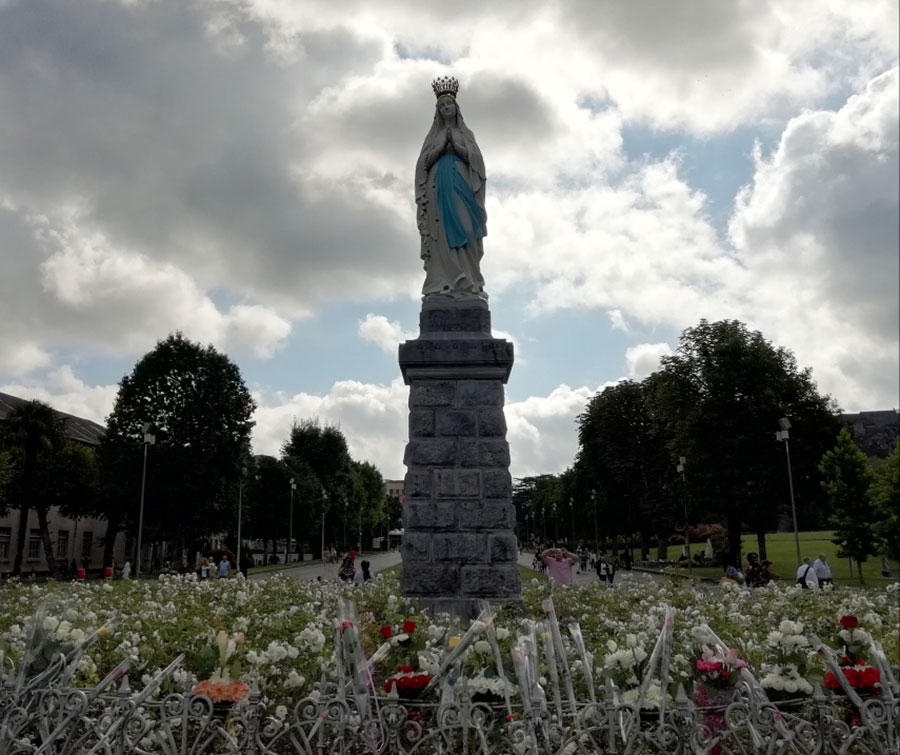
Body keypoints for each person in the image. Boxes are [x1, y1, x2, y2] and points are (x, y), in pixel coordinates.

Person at [415, 75, 488, 300]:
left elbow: (477, 162)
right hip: (438, 185)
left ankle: (470, 279)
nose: (446, 107)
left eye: (449, 104)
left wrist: (456, 146)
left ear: (456, 108)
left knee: (467, 228)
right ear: (438, 111)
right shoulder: (433, 135)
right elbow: (422, 164)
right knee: (442, 235)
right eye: (442, 105)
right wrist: (439, 149)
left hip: (461, 182)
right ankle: (446, 281)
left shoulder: (466, 134)